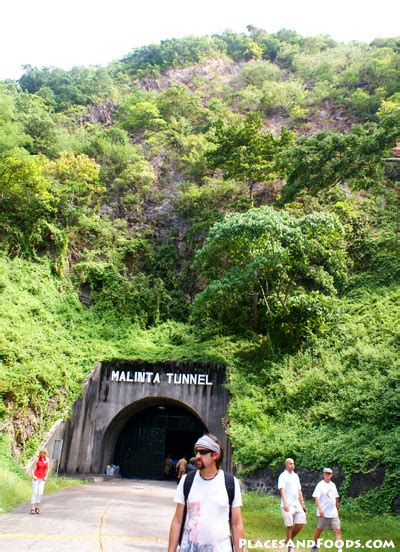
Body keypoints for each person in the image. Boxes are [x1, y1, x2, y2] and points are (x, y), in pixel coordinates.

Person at [168, 433, 244, 552]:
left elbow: (237, 523)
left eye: (202, 452)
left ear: (215, 455)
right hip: (189, 548)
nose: (197, 455)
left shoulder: (230, 483)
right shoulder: (187, 481)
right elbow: (177, 521)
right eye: (196, 451)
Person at [278, 458, 307, 552]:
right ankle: (290, 548)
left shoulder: (296, 476)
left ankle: (287, 540)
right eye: (290, 464)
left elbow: (299, 490)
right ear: (286, 465)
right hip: (287, 505)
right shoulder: (283, 476)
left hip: (296, 504)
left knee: (301, 523)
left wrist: (302, 503)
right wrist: (285, 503)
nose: (292, 465)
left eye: (293, 464)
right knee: (289, 526)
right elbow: (281, 490)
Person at [311, 468, 342, 552]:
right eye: (326, 474)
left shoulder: (333, 485)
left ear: (331, 475)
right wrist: (320, 509)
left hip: (333, 513)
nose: (327, 475)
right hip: (323, 512)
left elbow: (336, 497)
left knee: (338, 530)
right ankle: (315, 545)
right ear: (323, 475)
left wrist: (337, 507)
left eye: (329, 474)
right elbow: (316, 497)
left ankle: (339, 549)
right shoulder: (320, 485)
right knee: (319, 529)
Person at [31, 448, 49, 514]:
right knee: (35, 492)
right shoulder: (36, 459)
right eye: (42, 453)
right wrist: (33, 476)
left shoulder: (47, 460)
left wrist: (46, 476)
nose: (43, 454)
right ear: (40, 453)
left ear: (46, 453)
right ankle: (32, 508)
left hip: (42, 479)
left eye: (44, 453)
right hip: (36, 478)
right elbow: (32, 468)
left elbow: (47, 469)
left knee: (40, 493)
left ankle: (37, 507)